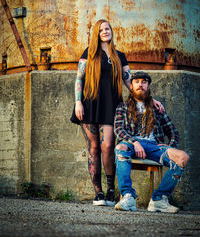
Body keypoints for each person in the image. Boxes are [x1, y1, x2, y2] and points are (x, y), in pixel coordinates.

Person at [70, 20, 164, 207]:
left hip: (111, 106)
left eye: (108, 29)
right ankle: (98, 193)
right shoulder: (88, 53)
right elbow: (79, 78)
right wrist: (78, 102)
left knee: (108, 147)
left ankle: (111, 189)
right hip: (89, 105)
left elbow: (130, 83)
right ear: (96, 33)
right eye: (102, 30)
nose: (105, 32)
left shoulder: (119, 56)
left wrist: (149, 99)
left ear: (112, 32)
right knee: (93, 148)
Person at [114, 71, 190, 213]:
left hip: (155, 147)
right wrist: (135, 142)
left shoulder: (157, 108)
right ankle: (128, 197)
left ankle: (159, 199)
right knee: (121, 146)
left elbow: (173, 131)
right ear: (131, 86)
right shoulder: (122, 107)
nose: (140, 85)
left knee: (183, 157)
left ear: (148, 86)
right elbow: (118, 130)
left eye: (144, 82)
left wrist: (169, 146)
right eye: (137, 82)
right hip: (132, 145)